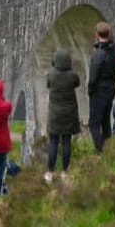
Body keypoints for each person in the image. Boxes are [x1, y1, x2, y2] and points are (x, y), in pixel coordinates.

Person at [45, 48, 80, 182]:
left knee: (53, 142)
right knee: (66, 142)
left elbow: (48, 85)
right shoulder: (73, 75)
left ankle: (50, 171)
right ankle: (65, 171)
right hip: (69, 113)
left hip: (55, 113)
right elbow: (77, 83)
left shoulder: (51, 75)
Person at [87, 21, 115, 152]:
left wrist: (90, 90)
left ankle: (101, 151)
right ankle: (109, 149)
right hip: (110, 89)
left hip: (99, 92)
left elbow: (93, 75)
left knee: (93, 124)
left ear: (96, 34)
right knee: (105, 122)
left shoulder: (99, 54)